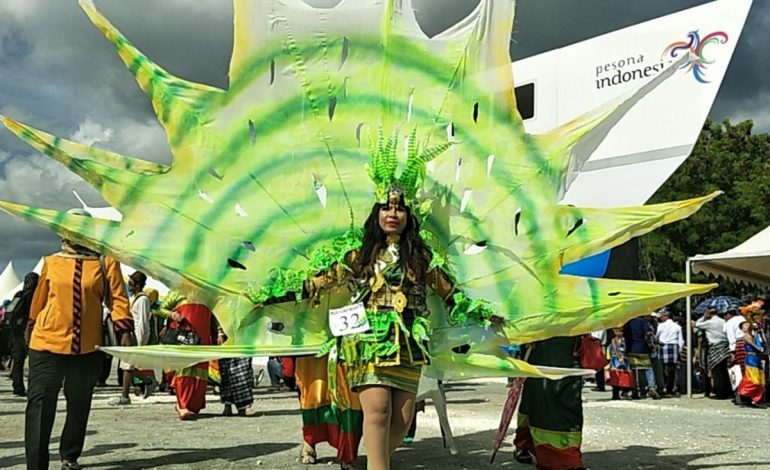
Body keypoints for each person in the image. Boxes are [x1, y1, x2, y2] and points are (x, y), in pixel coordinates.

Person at [307, 187, 456, 470]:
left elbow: (448, 291)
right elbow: (322, 280)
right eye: (386, 208)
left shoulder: (420, 257)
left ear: (408, 216)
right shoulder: (360, 256)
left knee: (402, 418)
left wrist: (484, 314)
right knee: (378, 411)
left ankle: (374, 463)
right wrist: (272, 296)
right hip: (369, 340)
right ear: (376, 213)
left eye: (399, 208)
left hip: (408, 345)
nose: (392, 214)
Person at [25, 222, 132, 470]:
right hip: (46, 343)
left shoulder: (106, 262)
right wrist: (30, 326)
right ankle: (36, 465)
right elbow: (39, 299)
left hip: (86, 347)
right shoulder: (51, 261)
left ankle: (69, 455)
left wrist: (124, 328)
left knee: (79, 403)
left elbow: (117, 298)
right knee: (40, 404)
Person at [513, 337, 586, 470]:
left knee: (570, 400)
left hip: (569, 349)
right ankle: (527, 444)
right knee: (537, 398)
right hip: (539, 345)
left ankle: (570, 455)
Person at [109, 271, 158, 405]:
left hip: (136, 336)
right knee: (127, 366)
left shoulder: (143, 299)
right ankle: (149, 382)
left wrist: (140, 341)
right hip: (130, 335)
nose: (129, 286)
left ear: (138, 285)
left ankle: (125, 396)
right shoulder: (133, 299)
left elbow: (142, 322)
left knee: (126, 365)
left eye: (131, 284)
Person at [166, 297, 217, 420]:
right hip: (185, 339)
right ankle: (182, 405)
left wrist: (219, 332)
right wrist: (172, 314)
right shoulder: (178, 293)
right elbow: (157, 307)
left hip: (203, 338)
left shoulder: (208, 293)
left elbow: (216, 314)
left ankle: (193, 406)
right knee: (185, 371)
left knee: (200, 373)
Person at [5, 272, 39, 396]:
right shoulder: (34, 296)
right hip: (30, 332)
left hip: (15, 332)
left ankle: (17, 386)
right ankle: (34, 388)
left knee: (18, 361)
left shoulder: (18, 295)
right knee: (35, 362)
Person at [694, 308, 731, 399]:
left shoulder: (709, 323)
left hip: (715, 347)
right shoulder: (723, 321)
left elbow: (697, 325)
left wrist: (704, 317)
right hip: (725, 347)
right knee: (724, 370)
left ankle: (720, 392)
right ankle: (727, 391)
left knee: (716, 371)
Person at [623, 316, 661, 400]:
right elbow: (648, 333)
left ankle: (634, 389)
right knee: (647, 368)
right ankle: (651, 387)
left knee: (633, 370)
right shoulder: (643, 322)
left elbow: (624, 334)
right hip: (642, 348)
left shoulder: (627, 322)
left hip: (630, 348)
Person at [736, 321, 766, 407]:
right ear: (742, 329)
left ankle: (755, 399)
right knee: (753, 380)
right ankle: (741, 392)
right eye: (745, 325)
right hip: (751, 359)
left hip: (757, 358)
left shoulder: (755, 334)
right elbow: (754, 346)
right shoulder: (746, 336)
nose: (748, 325)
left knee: (760, 381)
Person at [655, 309, 683, 396]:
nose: (661, 318)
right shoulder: (677, 326)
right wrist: (680, 350)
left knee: (662, 369)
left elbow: (657, 337)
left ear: (666, 316)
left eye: (662, 316)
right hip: (673, 346)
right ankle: (669, 389)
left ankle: (662, 386)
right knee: (672, 370)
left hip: (663, 346)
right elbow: (681, 340)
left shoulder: (661, 326)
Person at [608, 328, 633, 400]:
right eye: (618, 331)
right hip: (616, 359)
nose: (620, 333)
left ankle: (625, 390)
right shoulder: (613, 340)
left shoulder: (624, 340)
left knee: (625, 376)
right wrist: (619, 357)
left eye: (621, 331)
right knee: (616, 376)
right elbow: (615, 350)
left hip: (624, 358)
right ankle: (615, 394)